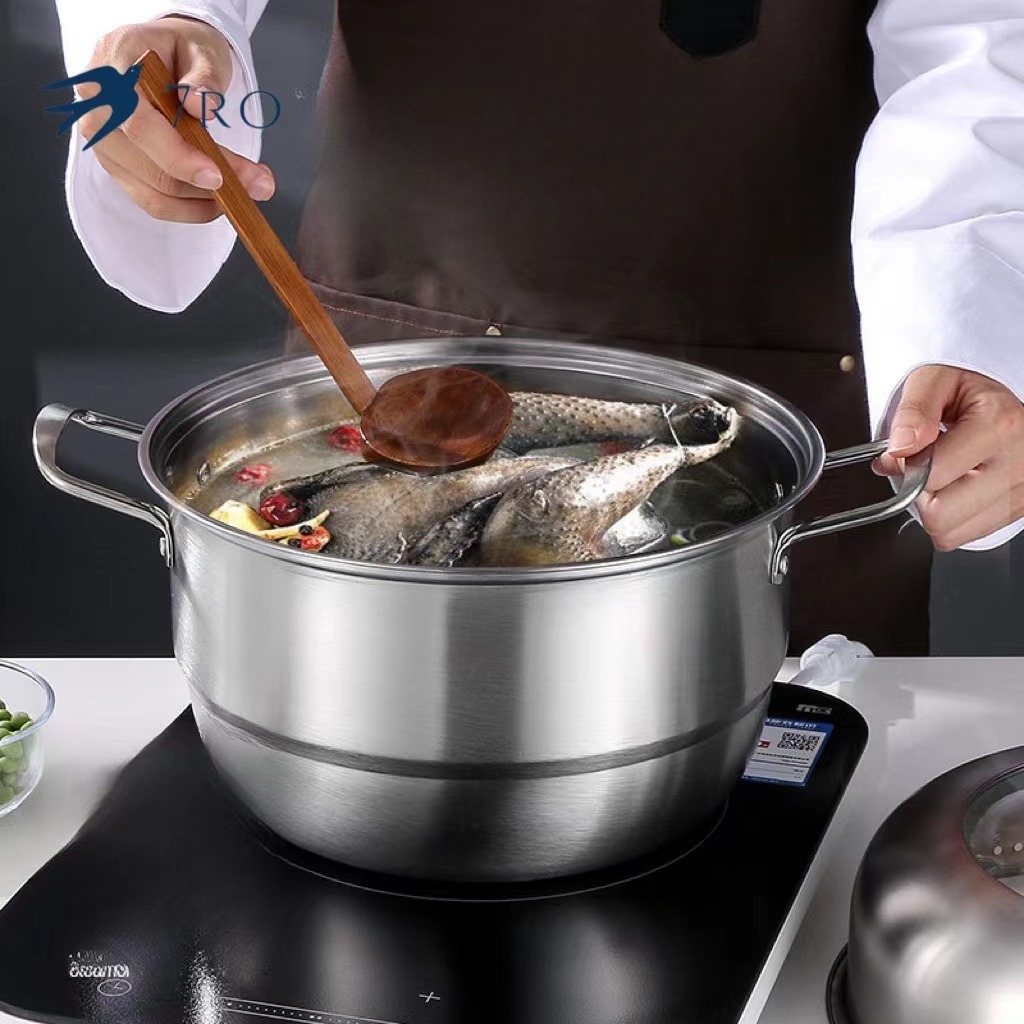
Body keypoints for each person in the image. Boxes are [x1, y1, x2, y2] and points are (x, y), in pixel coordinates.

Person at [53, 1, 1024, 655]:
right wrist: (173, 22)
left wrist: (971, 316)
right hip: (383, 351)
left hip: (783, 408)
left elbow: (980, 46)